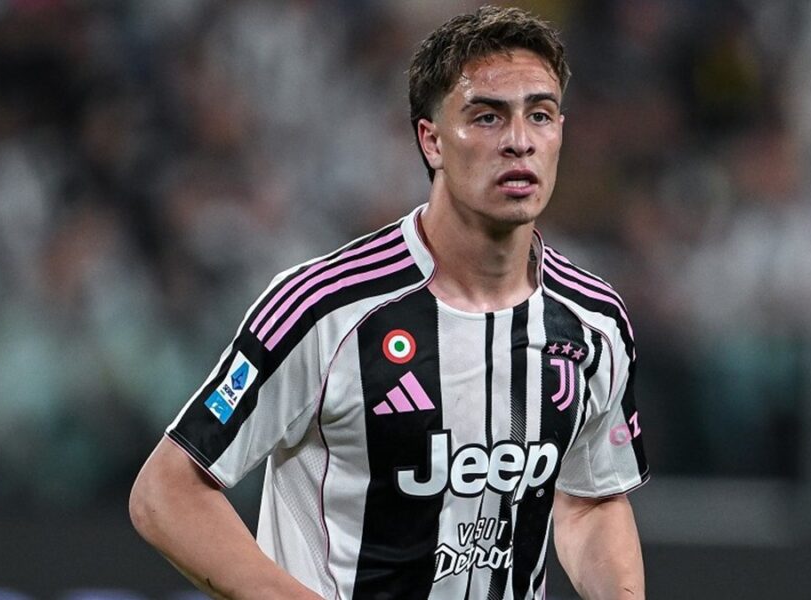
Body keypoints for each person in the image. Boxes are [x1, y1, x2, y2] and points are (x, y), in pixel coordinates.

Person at [129, 6, 648, 599]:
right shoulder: (325, 309)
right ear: (432, 141)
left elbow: (591, 500)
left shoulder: (593, 322)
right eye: (487, 117)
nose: (519, 142)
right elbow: (166, 492)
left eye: (540, 115)